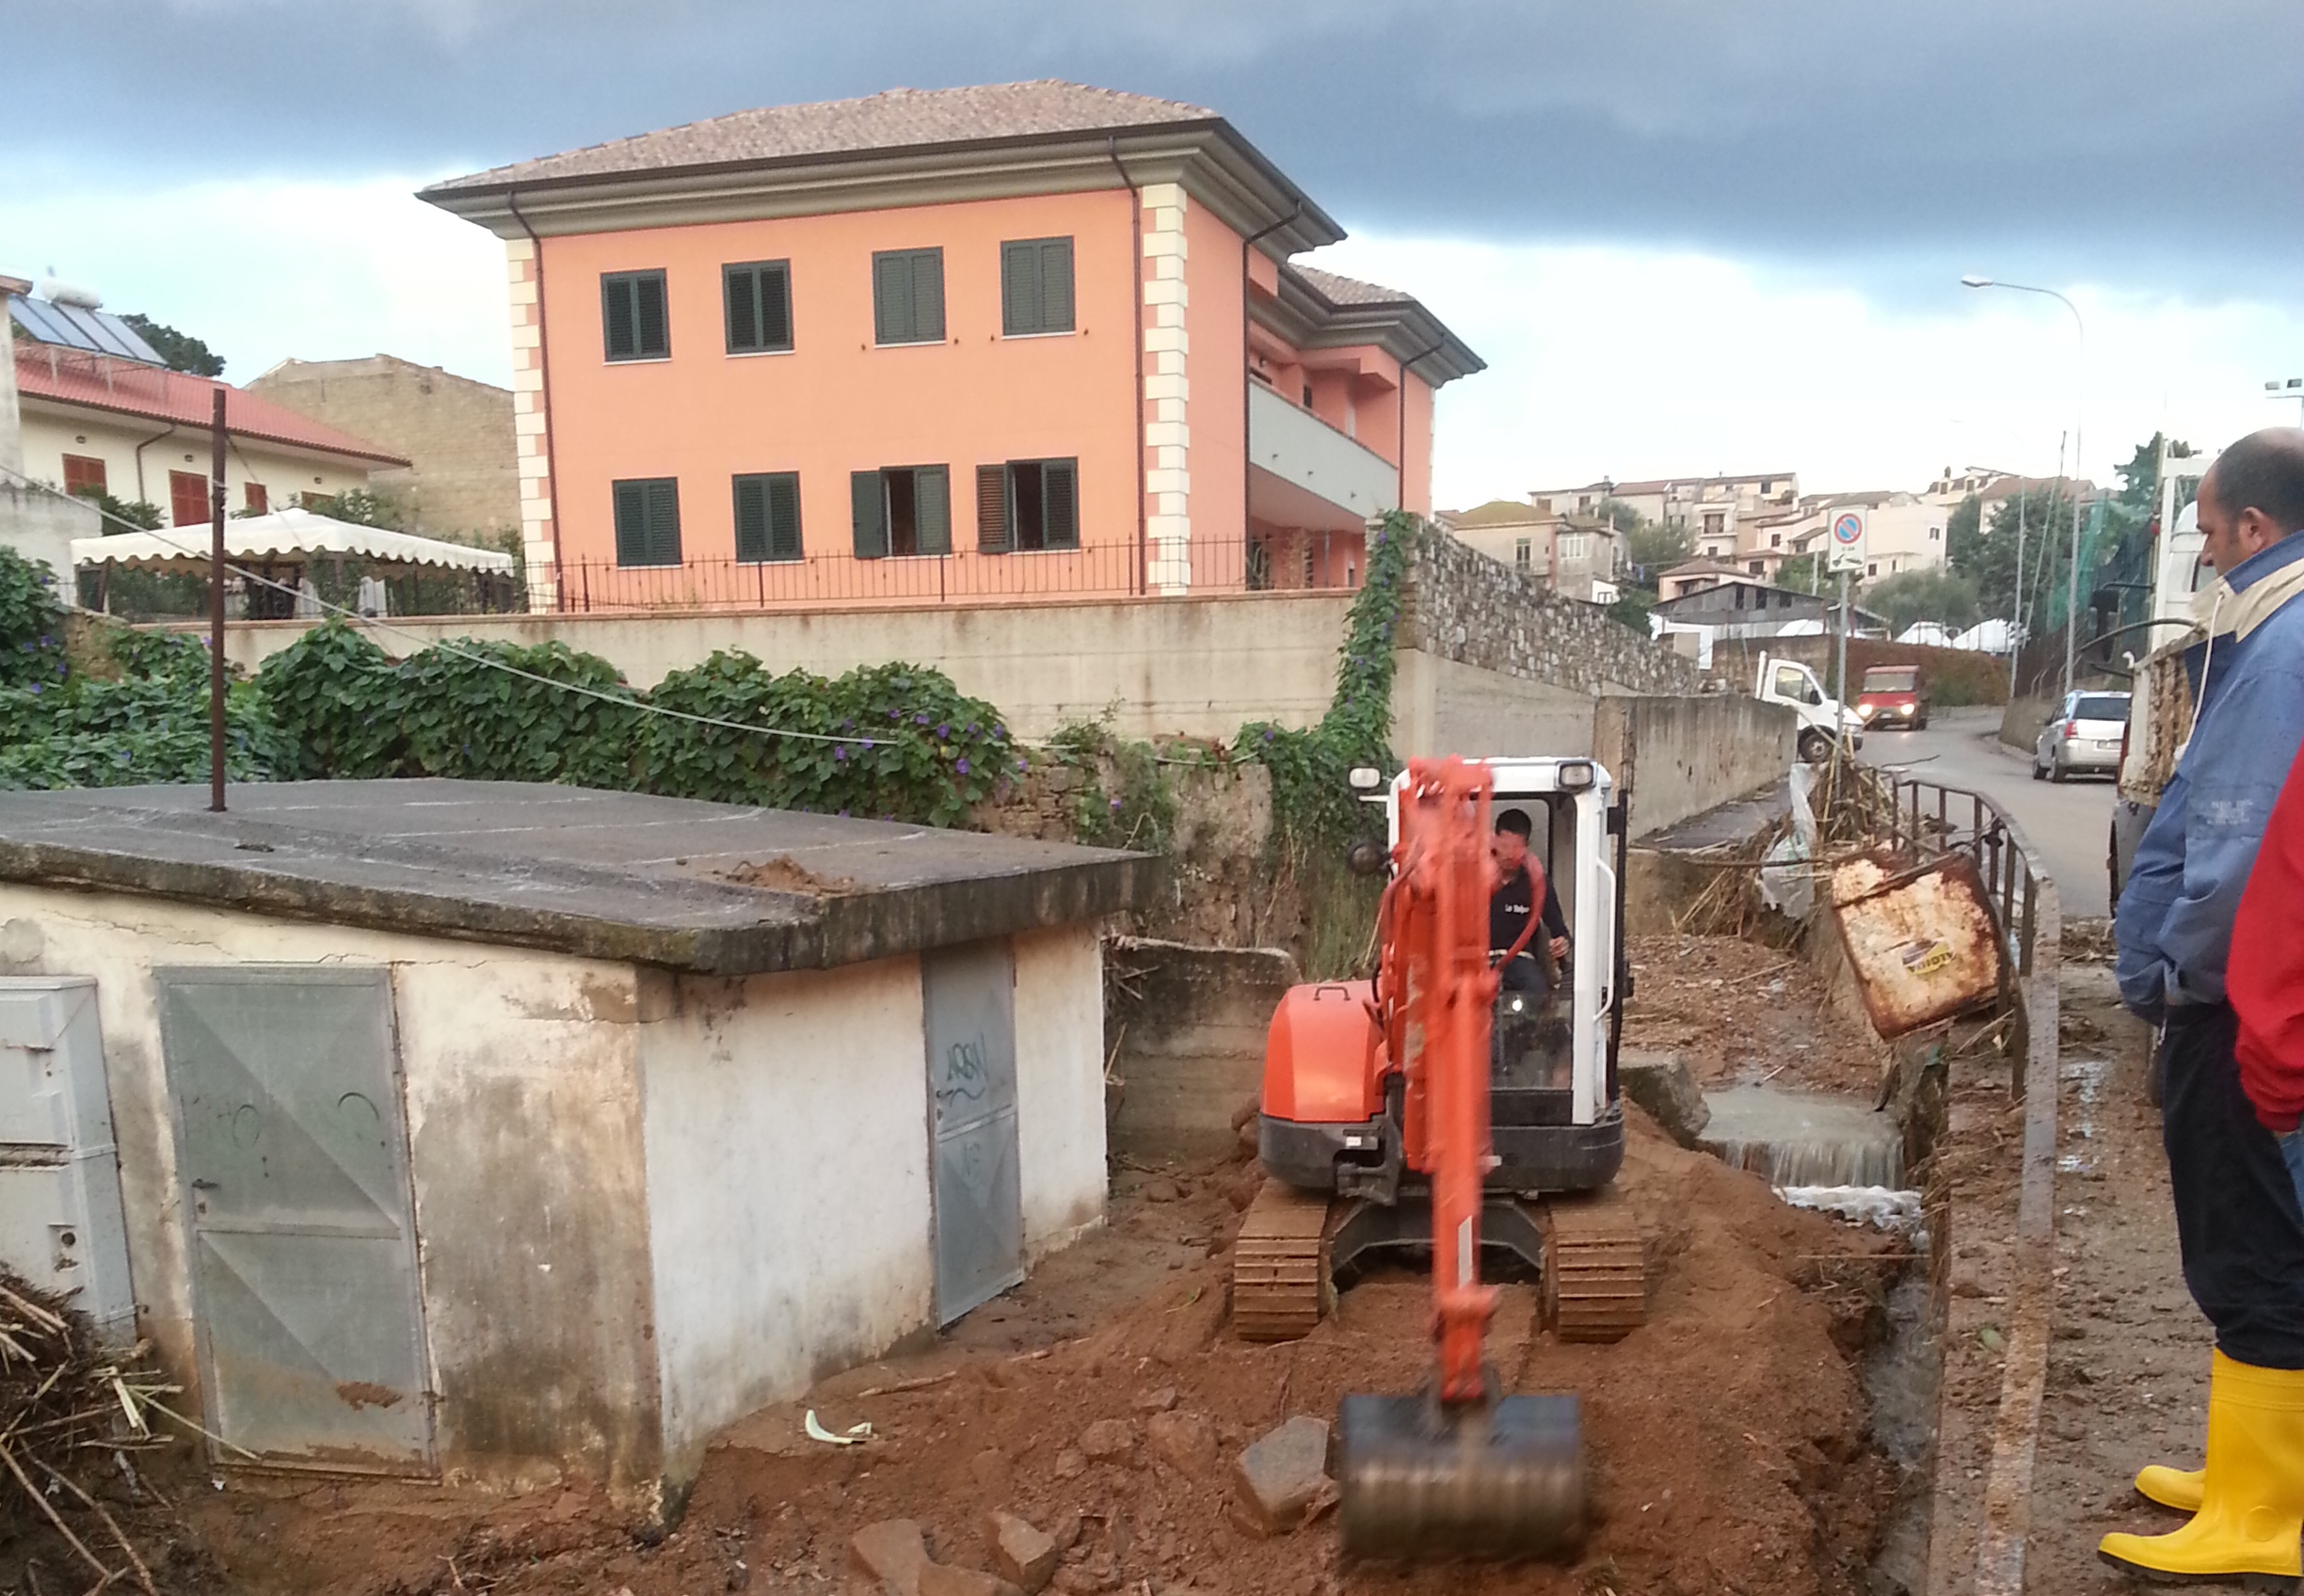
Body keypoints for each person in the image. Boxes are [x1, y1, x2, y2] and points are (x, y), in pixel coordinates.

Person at [2105, 426, 2304, 1583]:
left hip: (2237, 1001)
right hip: (2242, 993)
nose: (2204, 550)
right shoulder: (2268, 635)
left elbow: (2234, 847)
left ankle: (2264, 1516)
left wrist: (2179, 969)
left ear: (2255, 529)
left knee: (2251, 1244)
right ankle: (2248, 1468)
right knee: (2253, 1239)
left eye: (2210, 530)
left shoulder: (2279, 653)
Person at [1490, 807, 1570, 997]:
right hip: (1475, 959)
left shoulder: (1538, 883)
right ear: (1494, 840)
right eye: (1505, 846)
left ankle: (1528, 1026)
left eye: (1516, 848)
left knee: (1537, 990)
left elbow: (1560, 931)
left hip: (1518, 959)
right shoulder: (1471, 875)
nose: (1509, 854)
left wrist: (1562, 943)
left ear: (1527, 846)